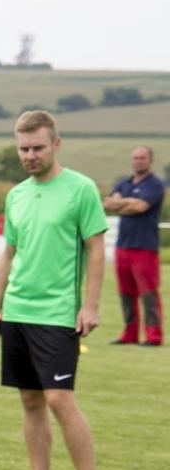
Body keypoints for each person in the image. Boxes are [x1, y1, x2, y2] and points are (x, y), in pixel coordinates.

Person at [0, 110, 110, 470]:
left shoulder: (81, 189)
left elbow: (96, 249)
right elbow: (9, 253)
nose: (30, 156)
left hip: (58, 313)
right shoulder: (17, 195)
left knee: (58, 398)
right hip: (18, 310)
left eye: (37, 147)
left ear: (56, 144)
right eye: (23, 149)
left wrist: (90, 305)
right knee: (30, 399)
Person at [103, 146, 164, 346]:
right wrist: (129, 203)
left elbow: (140, 207)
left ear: (150, 160)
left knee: (148, 293)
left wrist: (122, 203)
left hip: (145, 246)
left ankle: (154, 335)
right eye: (136, 158)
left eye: (142, 158)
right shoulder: (124, 182)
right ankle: (129, 334)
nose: (138, 161)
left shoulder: (155, 184)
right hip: (123, 246)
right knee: (126, 293)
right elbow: (107, 204)